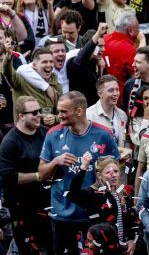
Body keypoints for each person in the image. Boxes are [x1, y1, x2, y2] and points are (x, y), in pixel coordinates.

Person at [37, 91, 119, 254]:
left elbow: (116, 173)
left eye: (63, 111)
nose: (59, 115)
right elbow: (41, 173)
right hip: (62, 214)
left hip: (95, 216)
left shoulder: (103, 134)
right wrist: (55, 162)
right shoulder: (53, 134)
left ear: (79, 111)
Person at [0, 96, 51, 255]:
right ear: (21, 116)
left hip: (47, 201)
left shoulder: (45, 133)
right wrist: (39, 175)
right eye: (34, 112)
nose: (39, 115)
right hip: (23, 207)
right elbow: (9, 177)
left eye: (40, 111)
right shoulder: (10, 142)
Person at [67, 154, 137, 253]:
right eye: (108, 172)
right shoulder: (92, 193)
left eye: (116, 171)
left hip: (121, 248)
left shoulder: (124, 193)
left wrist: (131, 240)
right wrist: (83, 168)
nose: (113, 175)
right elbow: (73, 193)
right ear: (99, 175)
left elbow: (132, 219)